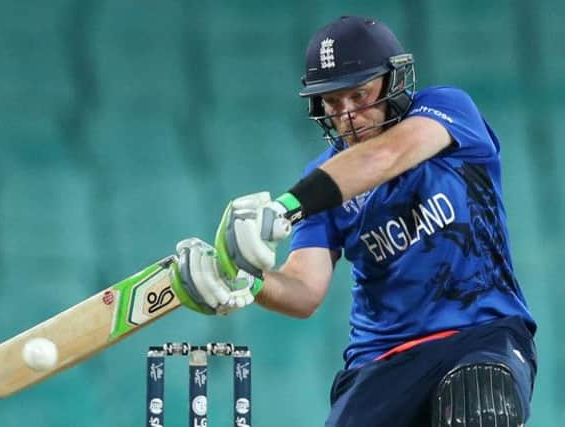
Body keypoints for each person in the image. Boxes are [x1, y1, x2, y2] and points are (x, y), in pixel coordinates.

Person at [170, 16, 538, 427]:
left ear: (392, 81)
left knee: (478, 399)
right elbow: (304, 291)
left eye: (359, 95)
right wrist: (249, 280)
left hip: (480, 337)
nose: (347, 116)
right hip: (380, 362)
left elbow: (383, 157)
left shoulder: (447, 110)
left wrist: (286, 207)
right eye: (332, 102)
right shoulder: (323, 181)